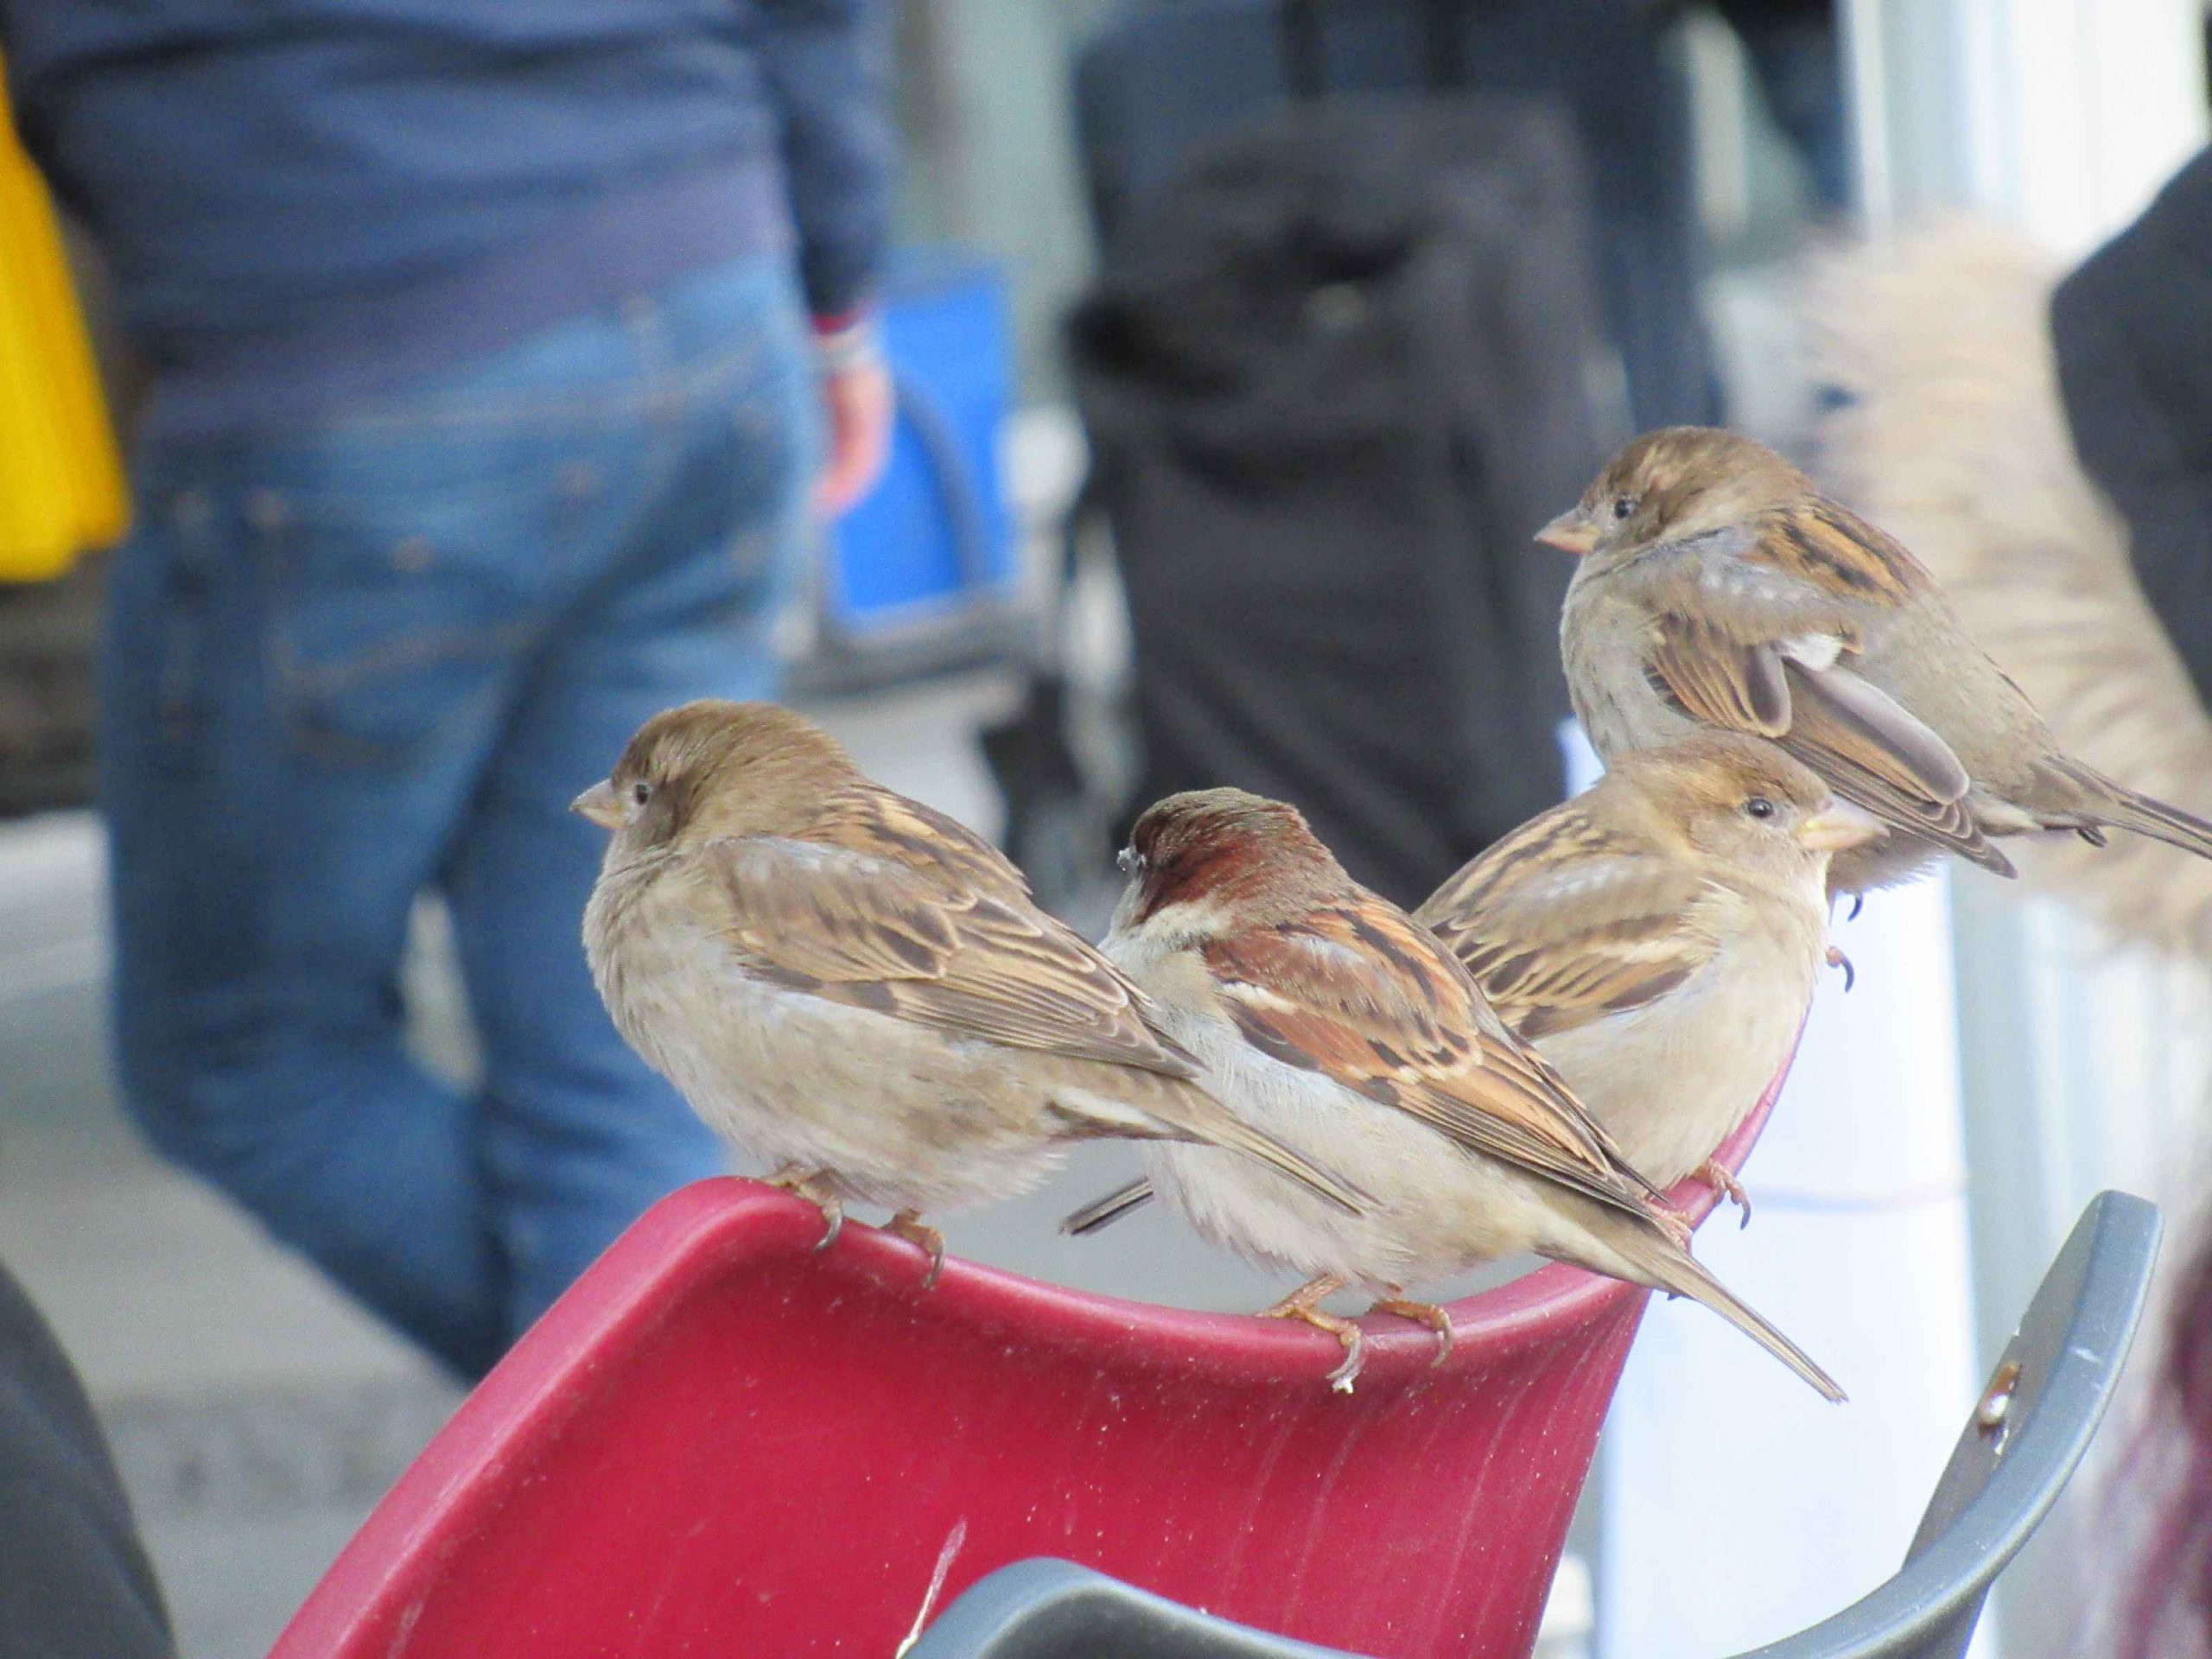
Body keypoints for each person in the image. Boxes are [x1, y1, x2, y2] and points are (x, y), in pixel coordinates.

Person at [0, 3, 894, 1378]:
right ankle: (700, 1450)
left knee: (246, 1060)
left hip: (352, 333)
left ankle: (686, 1444)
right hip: (710, 286)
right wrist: (836, 292)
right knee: (617, 1054)